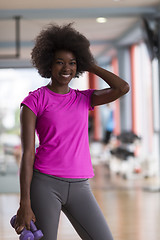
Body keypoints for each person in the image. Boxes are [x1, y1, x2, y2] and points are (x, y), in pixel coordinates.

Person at [14, 23, 129, 240]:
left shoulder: (84, 99)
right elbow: (28, 154)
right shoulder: (34, 101)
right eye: (60, 62)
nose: (66, 68)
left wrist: (90, 65)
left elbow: (122, 88)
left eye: (72, 63)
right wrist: (24, 202)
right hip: (45, 184)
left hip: (80, 186)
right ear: (48, 63)